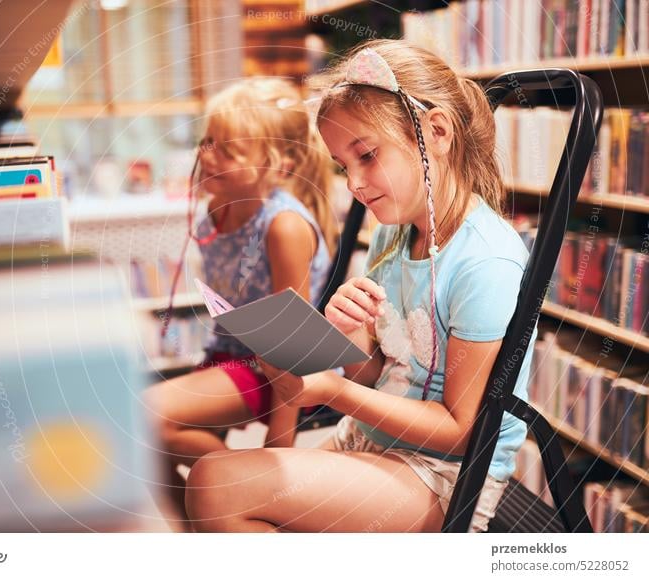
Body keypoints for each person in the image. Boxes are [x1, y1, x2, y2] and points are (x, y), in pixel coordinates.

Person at [184, 39, 536, 533]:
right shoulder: (393, 233)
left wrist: (334, 392)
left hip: (443, 476)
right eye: (343, 166)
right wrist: (349, 332)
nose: (353, 183)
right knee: (226, 486)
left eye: (367, 156)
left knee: (216, 485)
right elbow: (373, 372)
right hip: (371, 441)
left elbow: (462, 433)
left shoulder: (485, 262)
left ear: (436, 132)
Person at [142, 77, 336, 529]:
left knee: (143, 417)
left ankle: (249, 483)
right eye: (208, 141)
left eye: (227, 151)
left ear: (279, 166)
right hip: (231, 357)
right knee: (146, 442)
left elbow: (293, 344)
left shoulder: (284, 226)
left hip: (281, 372)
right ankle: (206, 523)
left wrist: (280, 443)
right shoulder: (217, 211)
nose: (207, 155)